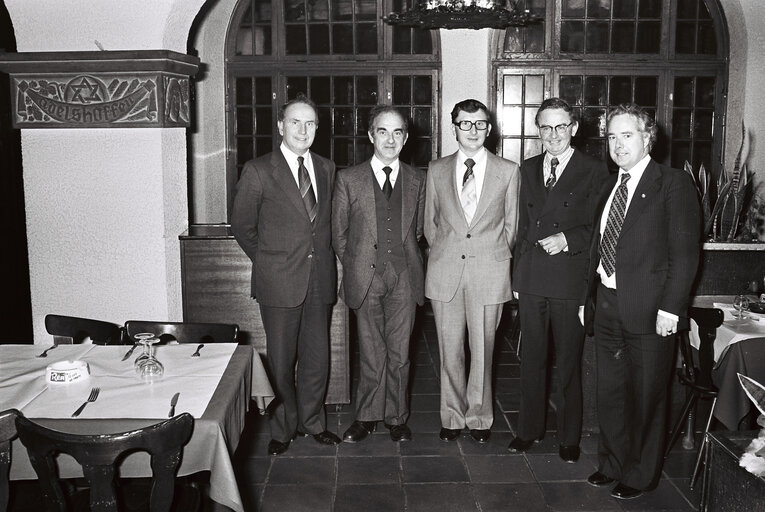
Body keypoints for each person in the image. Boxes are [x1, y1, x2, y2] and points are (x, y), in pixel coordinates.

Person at [583, 103, 701, 499]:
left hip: (652, 311)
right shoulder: (609, 185)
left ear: (648, 137)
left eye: (626, 135)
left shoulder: (672, 184)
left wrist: (671, 309)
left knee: (648, 395)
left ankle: (641, 473)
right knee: (611, 393)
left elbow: (685, 256)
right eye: (612, 136)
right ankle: (613, 462)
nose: (617, 144)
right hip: (608, 304)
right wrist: (591, 296)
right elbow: (599, 247)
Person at [231, 94, 341, 456]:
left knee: (318, 359)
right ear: (281, 126)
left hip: (319, 279)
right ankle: (283, 427)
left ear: (317, 129)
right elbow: (242, 226)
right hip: (279, 281)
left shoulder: (326, 168)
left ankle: (313, 422)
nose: (303, 130)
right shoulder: (259, 169)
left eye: (310, 123)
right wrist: (269, 262)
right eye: (295, 122)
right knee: (280, 360)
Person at [509, 98, 608, 462]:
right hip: (533, 278)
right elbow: (521, 227)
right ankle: (528, 430)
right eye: (546, 128)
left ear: (574, 129)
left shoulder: (595, 170)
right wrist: (517, 276)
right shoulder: (528, 167)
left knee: (568, 363)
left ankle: (569, 438)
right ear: (538, 130)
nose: (553, 135)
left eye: (561, 127)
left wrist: (569, 238)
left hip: (570, 279)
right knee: (530, 360)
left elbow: (601, 227)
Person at [424, 99, 520, 443]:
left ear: (489, 129)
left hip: (489, 274)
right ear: (454, 128)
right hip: (445, 274)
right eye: (465, 124)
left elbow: (512, 227)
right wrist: (452, 254)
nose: (473, 130)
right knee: (449, 352)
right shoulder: (436, 169)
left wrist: (489, 256)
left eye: (480, 124)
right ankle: (451, 417)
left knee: (484, 352)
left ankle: (479, 418)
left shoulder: (508, 171)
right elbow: (430, 227)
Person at [332, 105, 426, 443]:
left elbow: (416, 233)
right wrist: (358, 264)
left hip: (405, 275)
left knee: (400, 353)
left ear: (405, 138)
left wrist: (399, 260)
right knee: (371, 351)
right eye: (383, 131)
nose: (390, 138)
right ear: (371, 135)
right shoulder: (348, 179)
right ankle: (367, 415)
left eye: (397, 132)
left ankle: (396, 417)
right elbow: (339, 235)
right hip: (365, 277)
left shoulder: (418, 179)